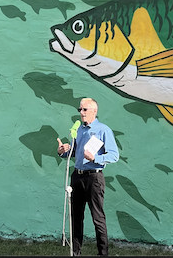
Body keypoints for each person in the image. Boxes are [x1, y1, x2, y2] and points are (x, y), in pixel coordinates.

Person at [57, 98, 119, 256]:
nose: (81, 113)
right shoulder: (79, 130)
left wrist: (95, 159)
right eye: (80, 110)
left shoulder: (103, 130)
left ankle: (102, 253)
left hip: (93, 177)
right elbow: (74, 152)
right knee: (76, 217)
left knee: (97, 217)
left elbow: (114, 155)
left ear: (94, 111)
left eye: (85, 109)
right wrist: (63, 151)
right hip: (77, 177)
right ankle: (75, 252)